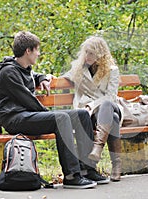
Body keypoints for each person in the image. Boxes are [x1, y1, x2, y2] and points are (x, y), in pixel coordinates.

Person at [0, 31, 108, 189]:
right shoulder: (8, 72)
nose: (38, 53)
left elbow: (33, 75)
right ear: (28, 51)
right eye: (37, 50)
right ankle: (71, 176)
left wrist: (42, 77)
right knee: (61, 118)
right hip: (15, 119)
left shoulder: (22, 68)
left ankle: (87, 169)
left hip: (28, 115)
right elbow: (28, 100)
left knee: (81, 115)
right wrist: (52, 114)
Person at [63, 36, 122, 181]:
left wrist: (93, 104)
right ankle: (116, 165)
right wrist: (44, 78)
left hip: (108, 107)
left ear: (100, 55)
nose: (88, 56)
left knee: (108, 106)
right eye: (86, 52)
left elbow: (111, 97)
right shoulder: (78, 68)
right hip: (90, 114)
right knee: (113, 120)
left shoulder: (111, 70)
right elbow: (61, 77)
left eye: (92, 53)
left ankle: (98, 148)